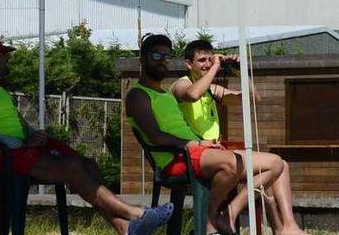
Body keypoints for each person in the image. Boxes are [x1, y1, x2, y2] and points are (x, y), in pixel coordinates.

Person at [0, 34, 174, 235]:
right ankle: (137, 214)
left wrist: (34, 135)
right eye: (2, 55)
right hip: (0, 156)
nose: (7, 58)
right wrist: (18, 142)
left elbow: (19, 124)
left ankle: (125, 228)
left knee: (86, 164)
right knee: (72, 168)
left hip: (22, 150)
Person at [126, 34, 308, 235]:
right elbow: (159, 135)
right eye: (156, 55)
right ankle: (211, 219)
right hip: (181, 155)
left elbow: (252, 99)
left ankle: (274, 223)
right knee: (233, 163)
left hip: (204, 149)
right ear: (142, 59)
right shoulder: (152, 91)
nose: (162, 60)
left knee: (277, 163)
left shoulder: (183, 92)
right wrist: (193, 143)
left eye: (167, 57)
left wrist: (240, 72)